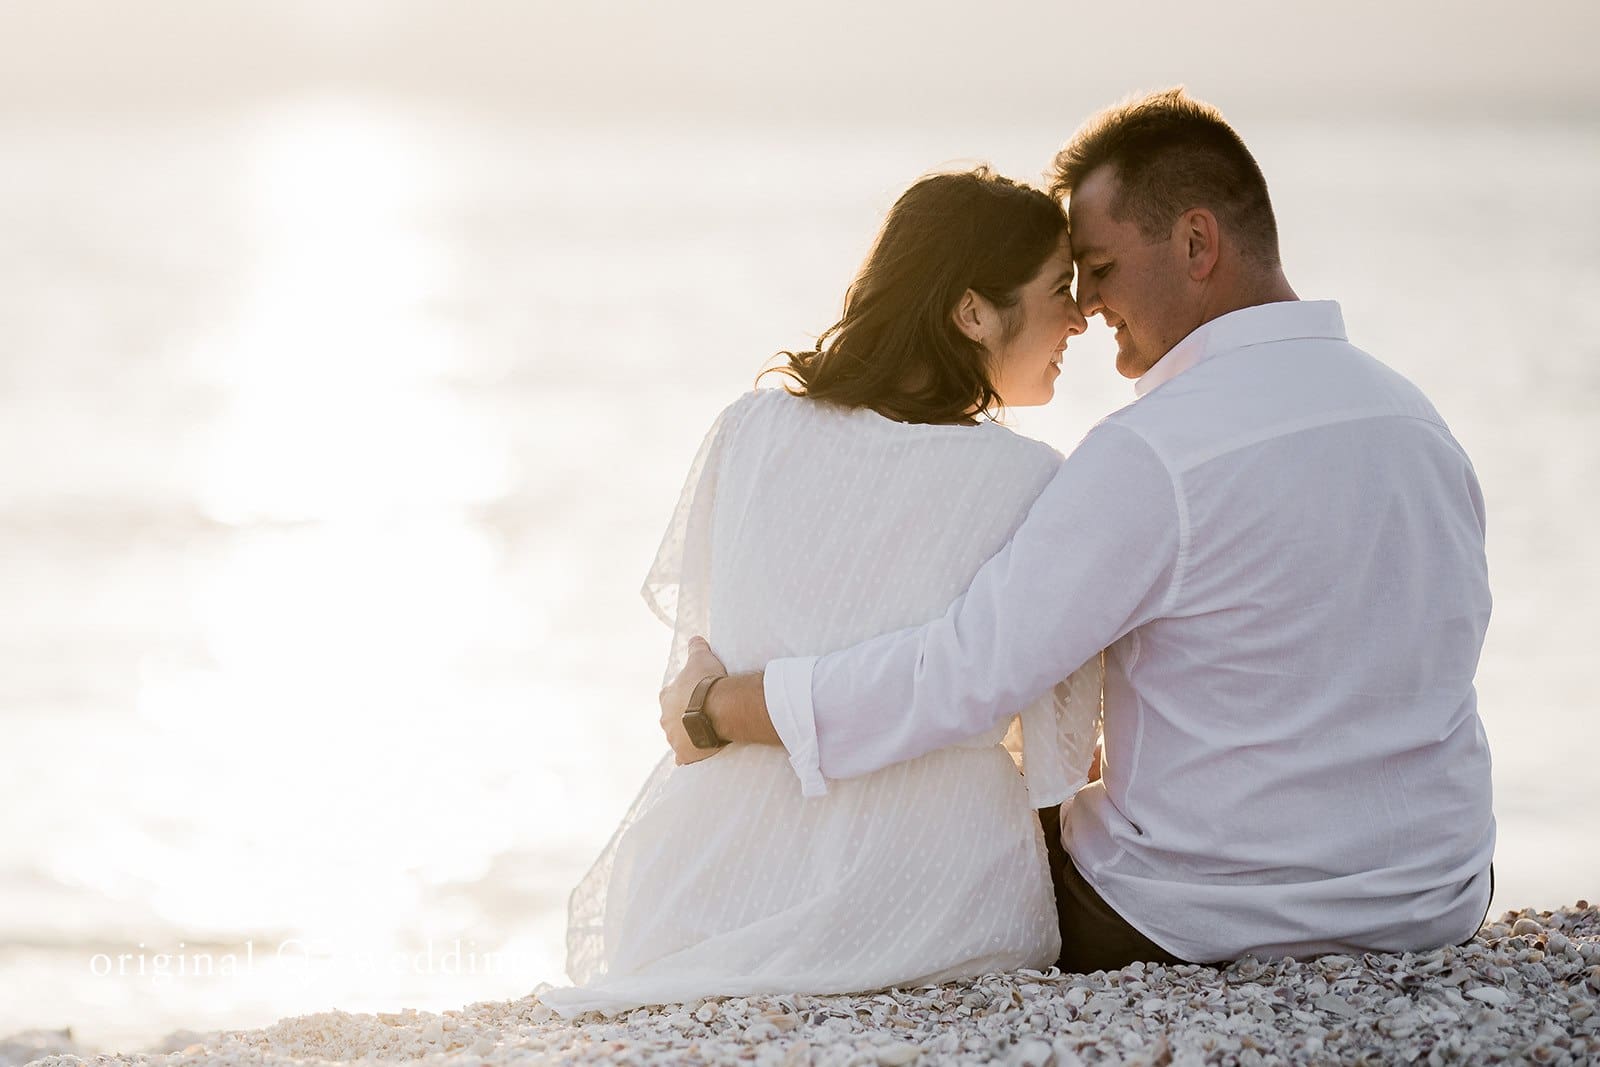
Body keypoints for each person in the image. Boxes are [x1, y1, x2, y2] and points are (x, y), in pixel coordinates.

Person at [659, 88, 1497, 973]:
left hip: (1196, 916)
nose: (1087, 306)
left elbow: (962, 674)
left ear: (1196, 243)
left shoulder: (1153, 452)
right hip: (1434, 895)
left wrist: (724, 708)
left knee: (949, 840)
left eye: (1097, 266)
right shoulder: (1418, 422)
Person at [540, 166, 1099, 1017]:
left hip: (703, 884)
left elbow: (698, 673)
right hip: (938, 903)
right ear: (973, 310)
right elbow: (1057, 765)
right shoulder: (1034, 479)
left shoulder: (749, 429)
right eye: (1061, 290)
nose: (1081, 317)